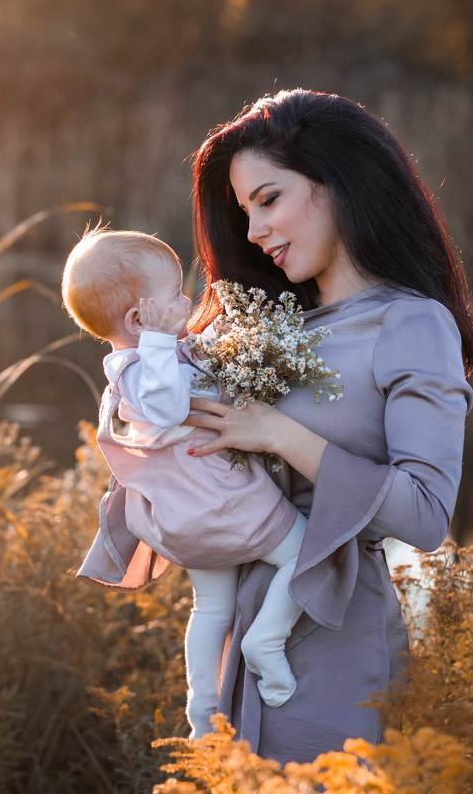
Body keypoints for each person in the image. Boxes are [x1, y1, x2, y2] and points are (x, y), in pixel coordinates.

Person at [82, 88, 473, 763]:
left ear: (337, 183)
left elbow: (426, 514)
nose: (255, 229)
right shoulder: (262, 321)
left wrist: (275, 431)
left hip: (334, 635)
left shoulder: (411, 323)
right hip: (242, 628)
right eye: (244, 211)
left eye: (268, 199)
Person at [63, 226, 311, 737]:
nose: (187, 301)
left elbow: (193, 366)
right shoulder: (138, 372)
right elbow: (170, 403)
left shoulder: (154, 358)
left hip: (188, 521)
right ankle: (267, 637)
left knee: (211, 607)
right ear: (139, 319)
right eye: (174, 295)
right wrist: (159, 341)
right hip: (224, 505)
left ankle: (203, 715)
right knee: (306, 551)